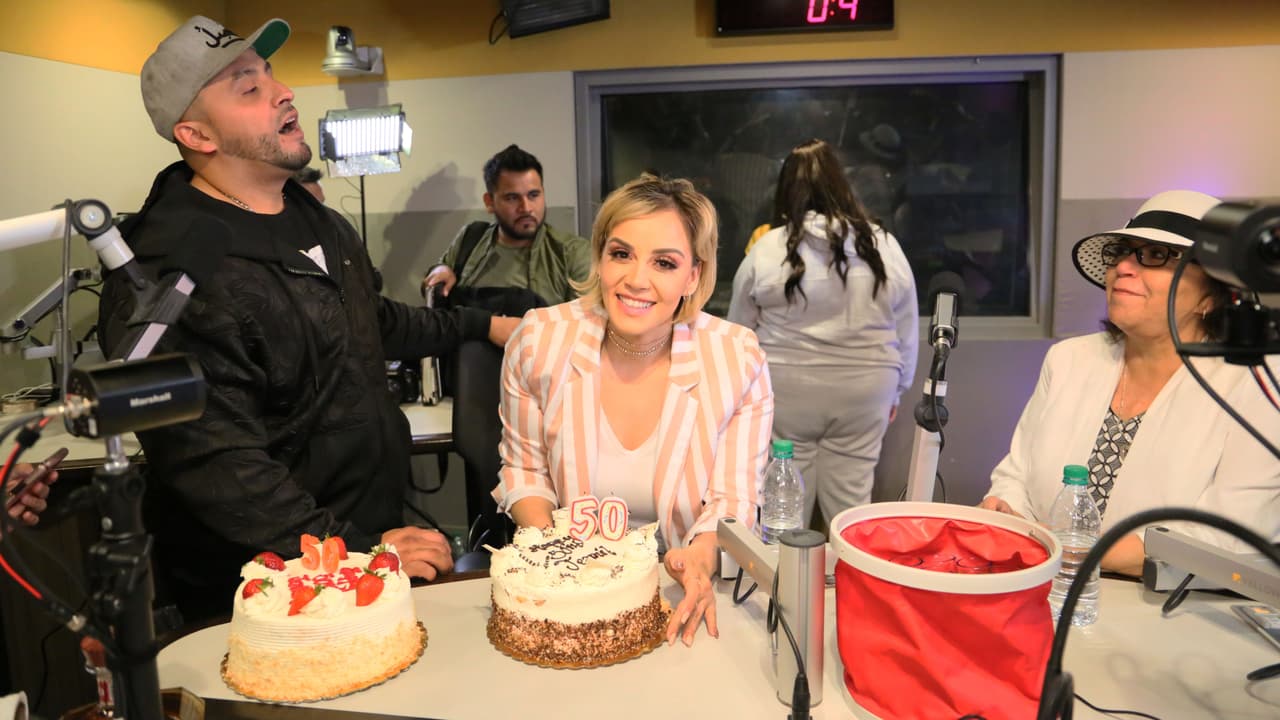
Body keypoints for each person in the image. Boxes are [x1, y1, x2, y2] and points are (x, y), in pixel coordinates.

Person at [97, 15, 519, 625]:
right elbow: (218, 465)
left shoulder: (314, 218)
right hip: (272, 590)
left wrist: (482, 326)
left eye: (269, 74)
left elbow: (368, 320)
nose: (283, 91)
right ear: (197, 133)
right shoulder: (170, 271)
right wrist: (351, 552)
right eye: (248, 87)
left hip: (368, 548)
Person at [494, 174, 774, 646]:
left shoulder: (736, 358)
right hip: (570, 602)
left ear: (692, 276)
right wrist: (565, 566)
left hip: (688, 596)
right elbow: (524, 472)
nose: (636, 280)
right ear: (600, 257)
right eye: (621, 253)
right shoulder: (538, 342)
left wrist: (698, 560)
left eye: (664, 263)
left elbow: (734, 500)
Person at [981, 189, 1280, 575]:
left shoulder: (1256, 380)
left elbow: (1230, 536)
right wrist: (1005, 511)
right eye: (1121, 252)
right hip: (1040, 586)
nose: (1123, 267)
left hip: (1170, 614)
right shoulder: (1070, 359)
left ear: (1212, 293)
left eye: (1155, 255)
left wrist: (1062, 549)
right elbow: (1015, 475)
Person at [728, 139, 918, 526]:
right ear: (842, 184)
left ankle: (784, 582)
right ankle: (852, 581)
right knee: (852, 506)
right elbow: (906, 327)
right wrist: (897, 388)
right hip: (866, 391)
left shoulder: (767, 248)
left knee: (784, 502)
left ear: (785, 190)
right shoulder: (883, 245)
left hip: (787, 391)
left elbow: (739, 335)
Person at [420, 144, 591, 306]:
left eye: (533, 195)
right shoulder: (470, 239)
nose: (526, 208)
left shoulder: (572, 254)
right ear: (489, 202)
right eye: (512, 198)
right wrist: (439, 271)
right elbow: (435, 286)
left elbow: (584, 328)